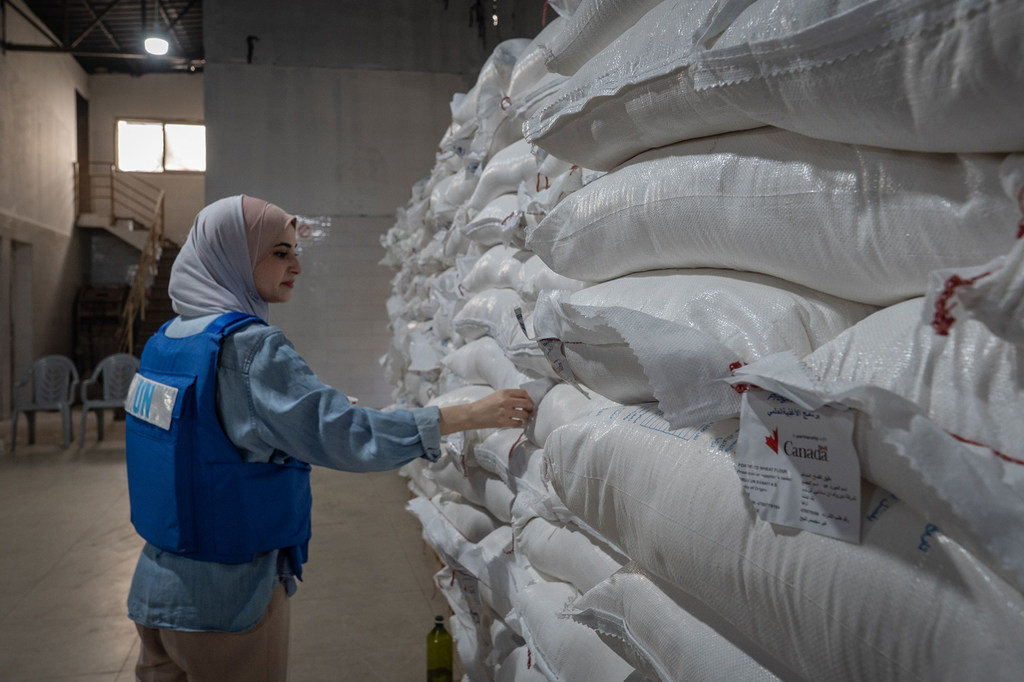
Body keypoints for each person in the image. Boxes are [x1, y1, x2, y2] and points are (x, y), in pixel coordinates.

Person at [124, 195, 533, 681]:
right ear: (232, 254)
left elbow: (204, 440)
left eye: (294, 251)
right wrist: (465, 415)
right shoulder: (249, 348)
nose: (296, 265)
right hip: (227, 604)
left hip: (155, 594)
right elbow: (347, 435)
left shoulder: (165, 342)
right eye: (279, 252)